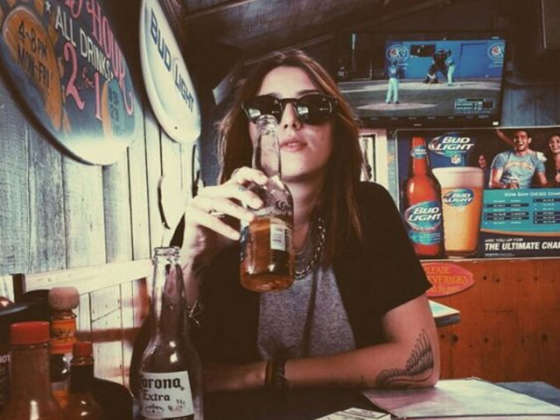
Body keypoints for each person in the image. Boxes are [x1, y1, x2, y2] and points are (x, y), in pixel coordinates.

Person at [133, 49, 440, 394]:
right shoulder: (214, 217)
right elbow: (150, 386)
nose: (290, 121)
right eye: (267, 109)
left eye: (312, 106)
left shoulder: (368, 210)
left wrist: (257, 375)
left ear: (336, 128)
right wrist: (191, 262)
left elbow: (420, 364)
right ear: (248, 130)